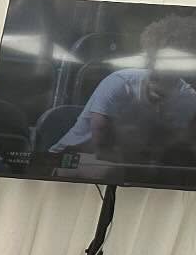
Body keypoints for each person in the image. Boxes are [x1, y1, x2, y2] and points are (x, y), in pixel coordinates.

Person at [50, 15, 196, 163]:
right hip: (63, 160)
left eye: (167, 65)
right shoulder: (119, 83)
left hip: (129, 166)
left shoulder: (189, 101)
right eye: (152, 60)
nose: (154, 70)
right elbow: (102, 151)